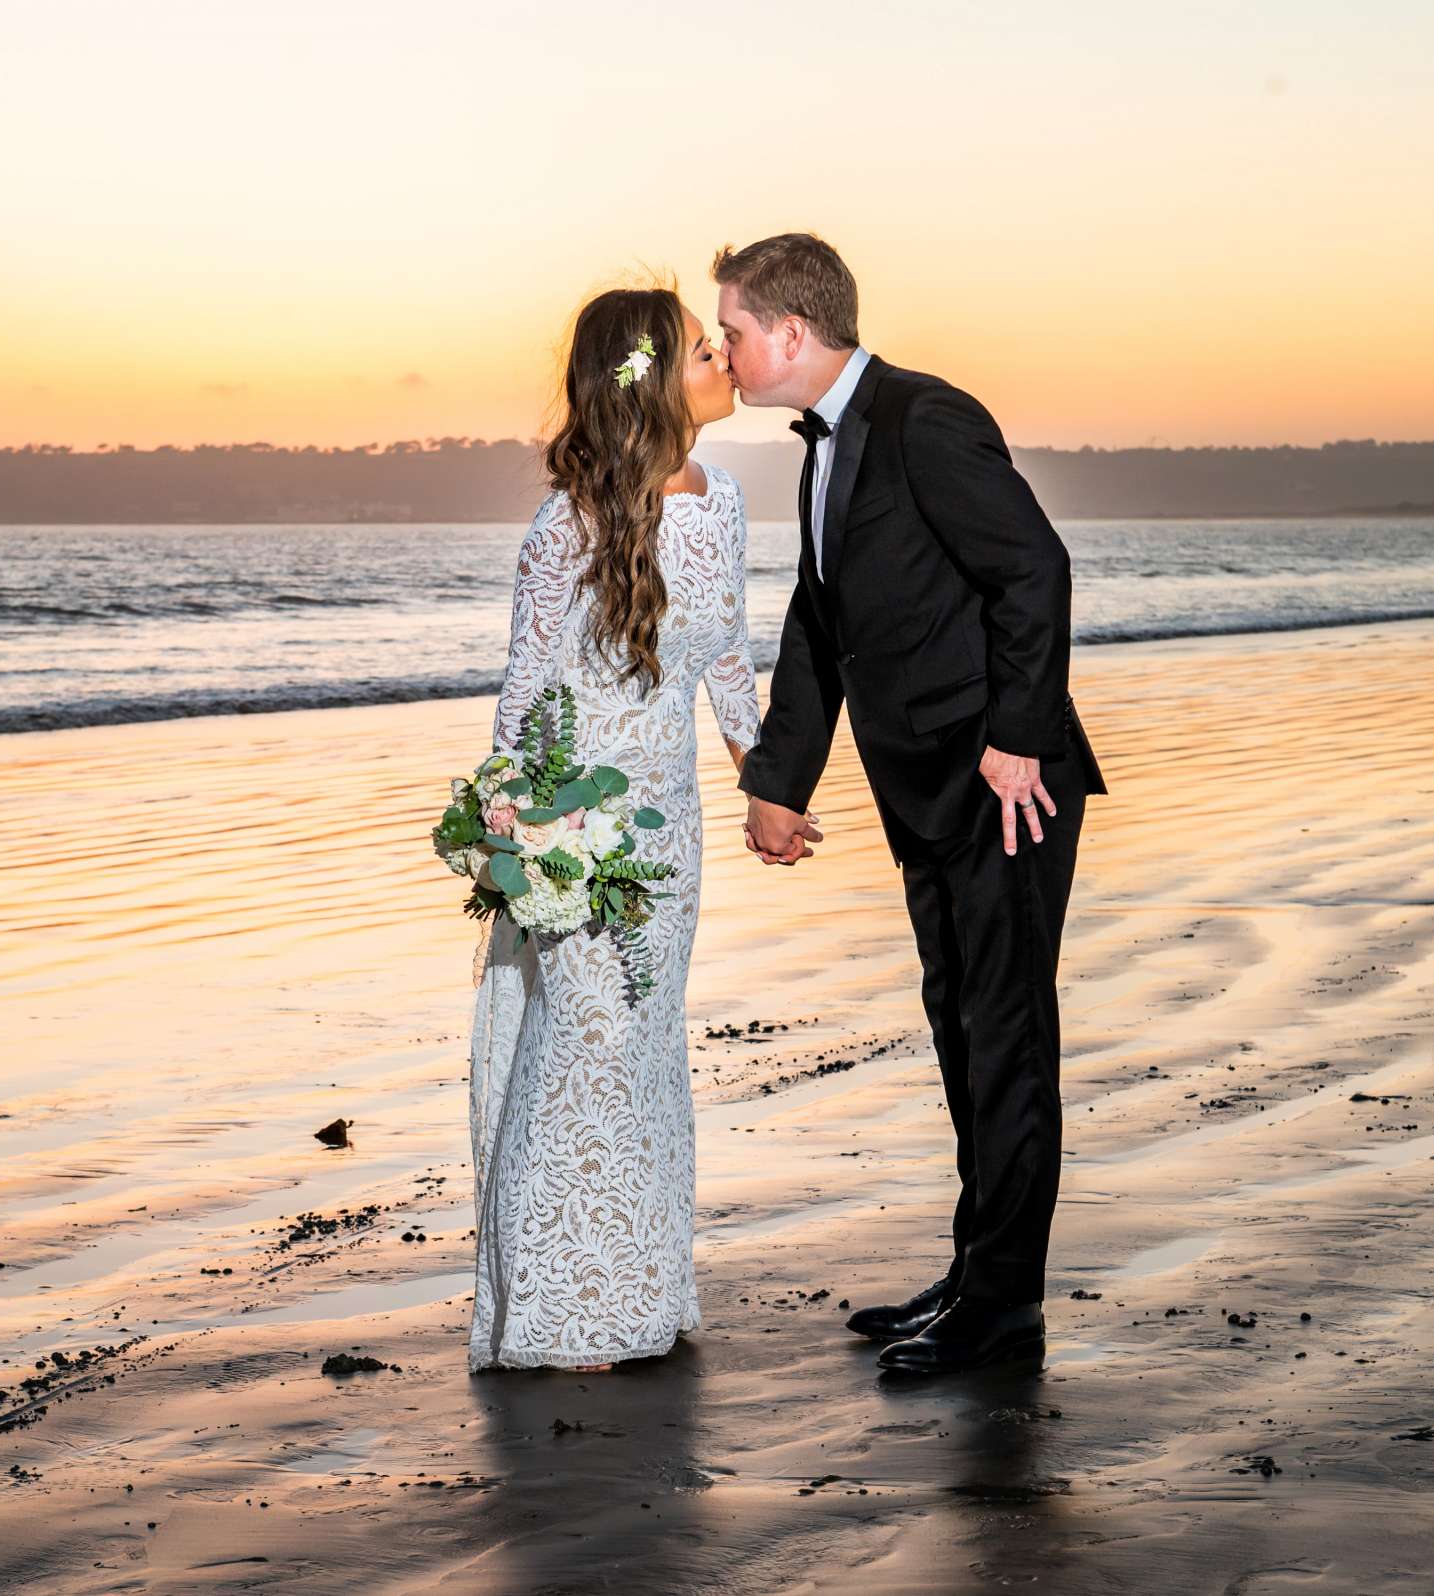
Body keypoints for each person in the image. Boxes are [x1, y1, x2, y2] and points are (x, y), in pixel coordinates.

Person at [718, 231, 1110, 1377]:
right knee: (962, 1038)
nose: (721, 351)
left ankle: (1005, 1313)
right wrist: (778, 784)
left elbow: (1034, 569)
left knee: (1007, 1045)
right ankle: (975, 1275)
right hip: (926, 797)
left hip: (1005, 791)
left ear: (791, 333)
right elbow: (820, 624)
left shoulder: (926, 419)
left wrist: (1015, 741)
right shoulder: (823, 452)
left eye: (732, 331)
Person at [466, 282, 759, 1373]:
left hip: (670, 831)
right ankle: (558, 1304)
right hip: (578, 830)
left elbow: (727, 652)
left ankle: (636, 1285)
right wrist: (512, 826)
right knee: (582, 1044)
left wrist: (762, 776)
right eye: (699, 351)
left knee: (642, 1047)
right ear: (646, 388)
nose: (722, 360)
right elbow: (525, 687)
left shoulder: (722, 501)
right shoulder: (567, 528)